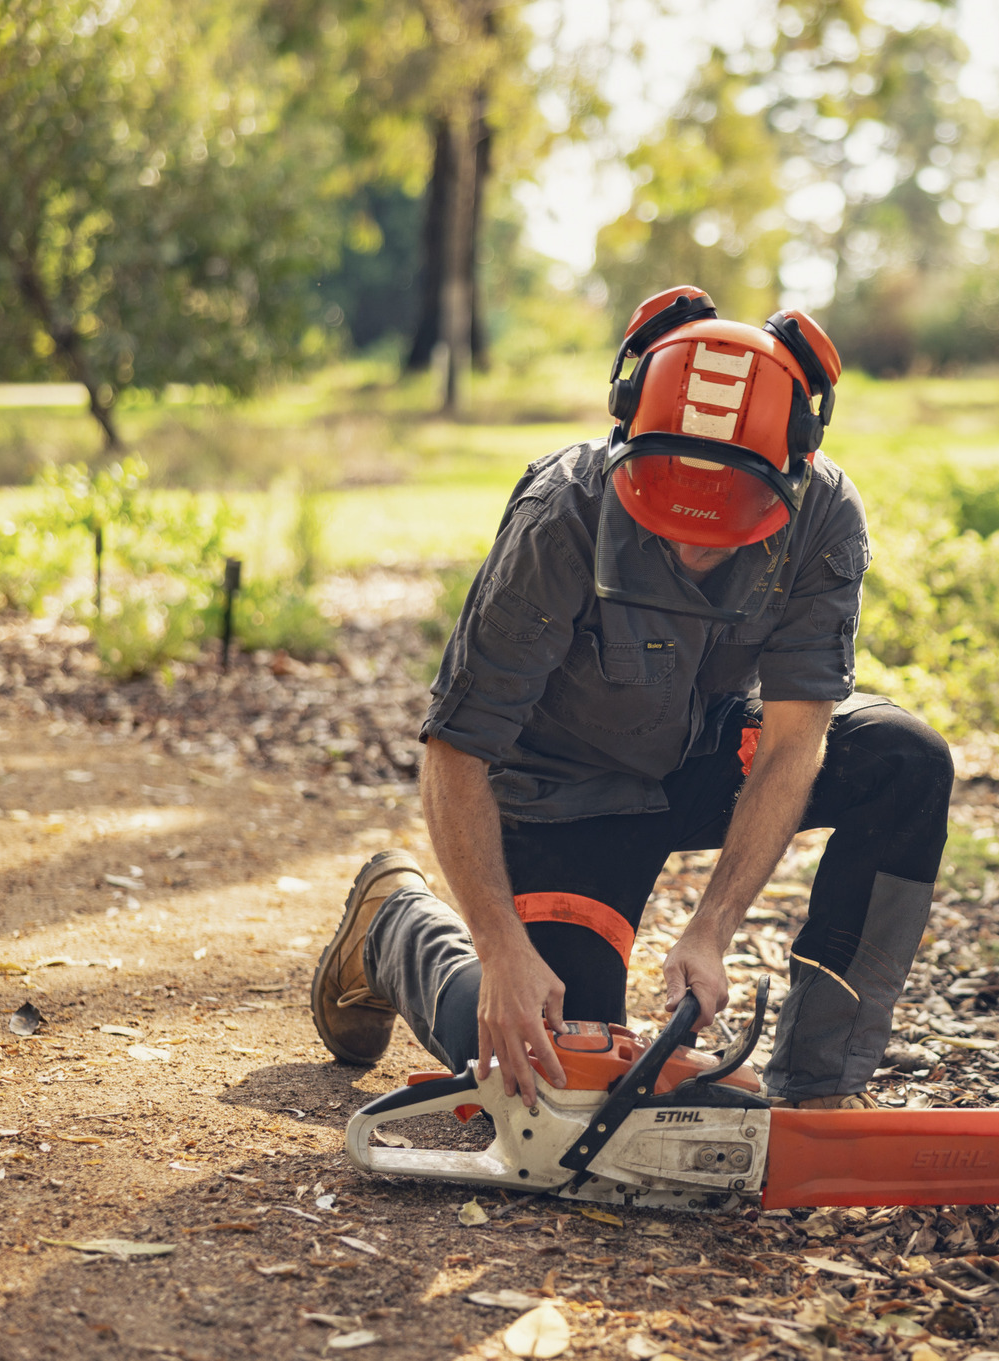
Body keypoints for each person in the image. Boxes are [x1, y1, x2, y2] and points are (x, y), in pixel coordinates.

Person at [309, 286, 952, 1111]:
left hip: (710, 752)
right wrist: (502, 948)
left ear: (793, 466)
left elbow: (795, 739)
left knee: (905, 759)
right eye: (673, 501)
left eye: (726, 508)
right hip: (568, 788)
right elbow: (457, 746)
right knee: (550, 1065)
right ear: (627, 429)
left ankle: (816, 1092)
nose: (692, 541)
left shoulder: (823, 511)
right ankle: (393, 925)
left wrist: (713, 925)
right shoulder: (562, 512)